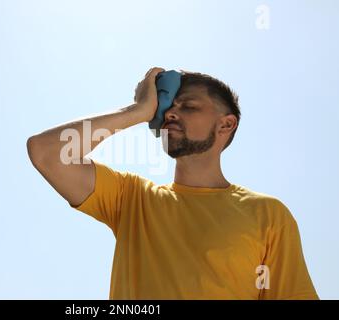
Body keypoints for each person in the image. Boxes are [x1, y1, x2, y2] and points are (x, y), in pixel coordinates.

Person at [27, 67, 319, 300]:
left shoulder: (267, 215)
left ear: (226, 125)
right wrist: (137, 112)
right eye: (168, 106)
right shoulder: (133, 199)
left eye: (189, 106)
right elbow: (46, 152)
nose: (170, 113)